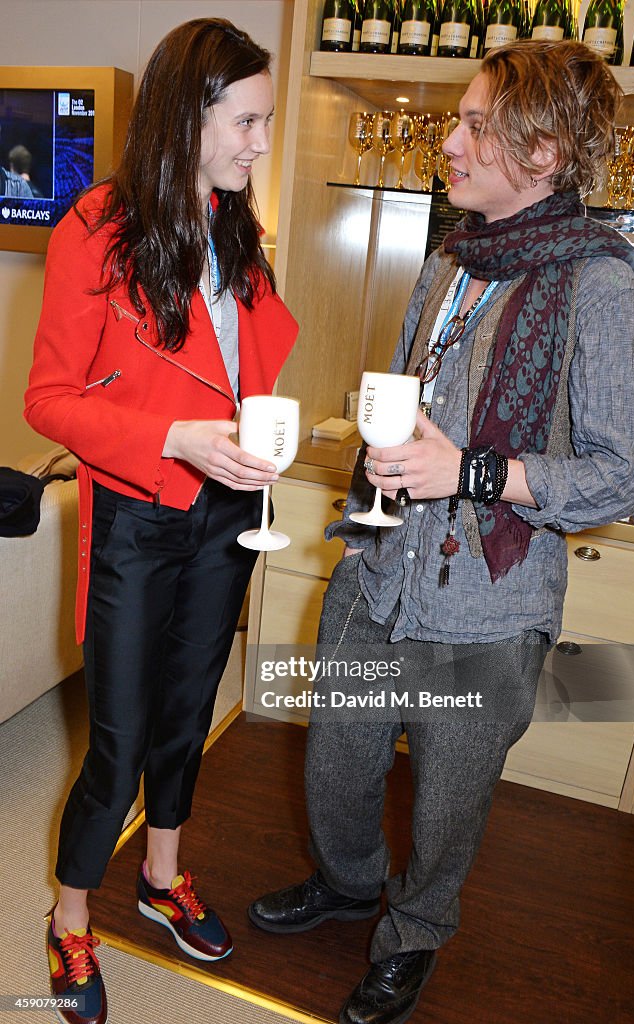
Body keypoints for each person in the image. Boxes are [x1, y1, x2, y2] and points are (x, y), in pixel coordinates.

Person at [248, 40, 634, 1024]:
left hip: (487, 608)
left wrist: (470, 471)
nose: (450, 140)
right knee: (335, 765)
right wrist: (364, 513)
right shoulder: (446, 260)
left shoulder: (601, 289)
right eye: (459, 119)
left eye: (476, 125)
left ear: (545, 151)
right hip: (378, 571)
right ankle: (348, 885)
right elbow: (406, 397)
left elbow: (626, 469)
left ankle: (411, 935)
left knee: (443, 812)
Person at [24, 18, 297, 1024]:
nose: (260, 140)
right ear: (191, 114)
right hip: (138, 514)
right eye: (248, 119)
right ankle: (68, 915)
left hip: (226, 512)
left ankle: (162, 874)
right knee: (121, 734)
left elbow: (244, 365)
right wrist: (176, 437)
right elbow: (48, 400)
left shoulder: (238, 232)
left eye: (264, 120)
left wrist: (254, 430)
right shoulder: (95, 226)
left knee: (188, 717)